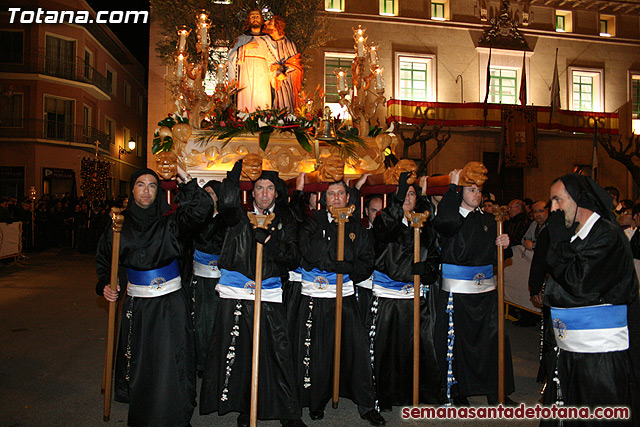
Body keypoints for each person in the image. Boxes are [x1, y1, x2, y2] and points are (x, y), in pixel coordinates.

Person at [96, 166, 213, 427]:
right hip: (137, 304)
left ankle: (177, 415)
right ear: (132, 190)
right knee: (143, 362)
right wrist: (105, 283)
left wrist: (183, 176)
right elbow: (105, 262)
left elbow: (202, 207)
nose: (146, 190)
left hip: (170, 303)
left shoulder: (172, 223)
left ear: (158, 191)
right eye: (140, 185)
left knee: (174, 359)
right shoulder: (118, 225)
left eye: (152, 185)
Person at [199, 161, 305, 427]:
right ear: (253, 192)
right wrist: (233, 177)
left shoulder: (286, 219)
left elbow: (292, 258)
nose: (265, 193)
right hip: (238, 293)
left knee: (278, 351)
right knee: (242, 352)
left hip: (269, 292)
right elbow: (227, 205)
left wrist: (269, 243)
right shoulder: (238, 216)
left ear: (276, 193)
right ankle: (247, 408)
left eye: (270, 188)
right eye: (260, 188)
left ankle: (287, 412)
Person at [542, 174, 640, 425]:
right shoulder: (577, 235)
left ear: (579, 199)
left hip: (599, 355)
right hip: (571, 349)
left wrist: (558, 244)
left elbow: (579, 284)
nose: (552, 208)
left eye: (557, 200)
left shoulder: (606, 236)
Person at [290, 178, 385, 426]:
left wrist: (351, 269)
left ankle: (366, 404)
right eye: (331, 194)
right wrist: (333, 257)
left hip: (345, 296)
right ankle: (315, 400)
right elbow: (308, 255)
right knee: (317, 353)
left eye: (340, 193)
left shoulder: (358, 228)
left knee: (357, 350)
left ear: (348, 198)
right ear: (324, 199)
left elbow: (367, 259)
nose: (336, 198)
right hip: (315, 296)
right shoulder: (313, 222)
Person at [433, 168, 515, 406]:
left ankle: (496, 389)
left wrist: (505, 245)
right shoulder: (450, 217)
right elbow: (444, 223)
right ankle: (457, 390)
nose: (477, 194)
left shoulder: (489, 220)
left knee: (492, 339)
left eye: (479, 190)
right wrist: (452, 186)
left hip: (486, 293)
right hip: (457, 293)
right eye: (471, 189)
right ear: (460, 192)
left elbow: (496, 255)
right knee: (457, 342)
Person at [369, 173, 443, 409]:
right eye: (403, 194)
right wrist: (398, 198)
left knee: (419, 347)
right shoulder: (386, 223)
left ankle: (422, 394)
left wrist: (428, 270)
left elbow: (434, 255)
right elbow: (382, 233)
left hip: (414, 295)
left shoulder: (425, 226)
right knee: (387, 349)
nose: (408, 198)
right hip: (389, 297)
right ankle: (385, 396)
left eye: (411, 193)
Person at [187, 180, 227, 375]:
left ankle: (214, 364)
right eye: (205, 193)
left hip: (218, 279)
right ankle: (198, 362)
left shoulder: (225, 220)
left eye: (212, 194)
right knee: (197, 323)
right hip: (196, 278)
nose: (208, 197)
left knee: (214, 323)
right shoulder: (194, 218)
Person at [228, 9, 277, 112]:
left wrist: (276, 71)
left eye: (257, 16)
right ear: (248, 20)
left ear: (262, 20)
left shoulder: (268, 39)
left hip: (262, 76)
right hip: (246, 74)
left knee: (262, 99)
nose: (255, 18)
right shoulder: (241, 39)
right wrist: (243, 48)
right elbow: (231, 56)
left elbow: (273, 59)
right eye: (252, 16)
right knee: (246, 98)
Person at [263, 15, 303, 112]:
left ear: (277, 26)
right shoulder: (266, 43)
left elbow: (295, 65)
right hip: (268, 81)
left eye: (270, 23)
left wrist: (281, 67)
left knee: (284, 108)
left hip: (284, 83)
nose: (266, 25)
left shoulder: (288, 43)